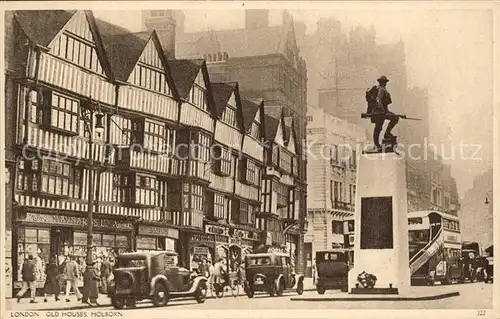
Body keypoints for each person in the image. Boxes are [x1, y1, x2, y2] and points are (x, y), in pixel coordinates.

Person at [369, 75, 400, 149]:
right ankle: (377, 144)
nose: (385, 83)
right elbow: (378, 100)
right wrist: (382, 111)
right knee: (378, 127)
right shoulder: (381, 89)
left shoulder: (382, 89)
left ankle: (387, 134)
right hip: (379, 112)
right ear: (383, 82)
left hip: (383, 111)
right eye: (385, 82)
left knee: (394, 118)